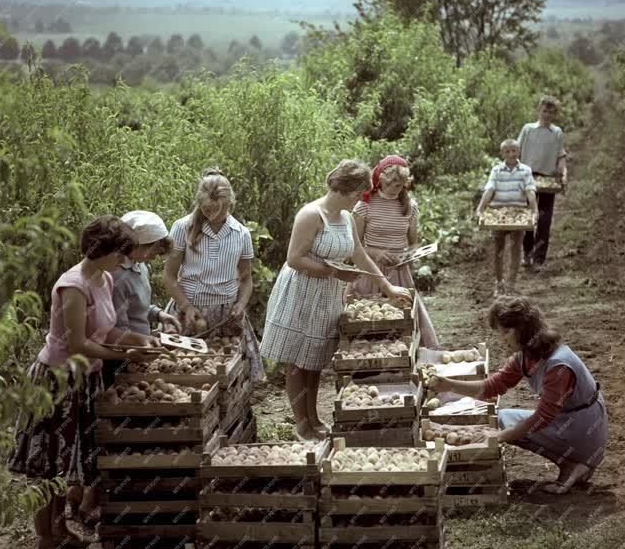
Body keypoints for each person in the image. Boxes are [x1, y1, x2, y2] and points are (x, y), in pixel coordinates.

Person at [8, 216, 158, 549]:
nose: (124, 260)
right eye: (119, 253)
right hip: (57, 383)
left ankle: (60, 530)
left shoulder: (103, 278)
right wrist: (123, 355)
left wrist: (139, 340)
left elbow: (107, 332)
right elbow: (77, 343)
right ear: (103, 252)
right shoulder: (73, 286)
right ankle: (44, 544)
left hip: (83, 381)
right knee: (49, 466)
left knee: (66, 465)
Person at [260, 159, 412, 441]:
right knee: (296, 362)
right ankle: (301, 424)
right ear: (346, 188)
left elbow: (360, 255)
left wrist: (387, 287)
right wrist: (333, 272)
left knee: (315, 360)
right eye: (358, 192)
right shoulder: (311, 215)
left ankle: (314, 417)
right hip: (302, 292)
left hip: (327, 295)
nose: (360, 198)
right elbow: (294, 259)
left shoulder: (345, 219)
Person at [429, 296, 608, 494]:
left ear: (520, 330)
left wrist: (499, 437)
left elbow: (542, 418)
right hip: (565, 420)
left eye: (505, 333)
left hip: (583, 428)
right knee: (503, 419)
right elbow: (492, 386)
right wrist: (447, 385)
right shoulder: (526, 355)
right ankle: (569, 463)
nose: (502, 339)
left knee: (506, 429)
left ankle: (576, 462)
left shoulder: (558, 365)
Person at [163, 169, 264, 382]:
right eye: (207, 209)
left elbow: (245, 279)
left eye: (218, 209)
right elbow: (169, 277)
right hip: (189, 311)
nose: (212, 214)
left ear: (230, 203)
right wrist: (187, 307)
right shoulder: (183, 227)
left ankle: (238, 414)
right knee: (186, 372)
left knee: (231, 375)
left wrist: (241, 304)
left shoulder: (240, 233)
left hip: (225, 315)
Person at [351, 155, 439, 347]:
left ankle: (402, 362)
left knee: (402, 316)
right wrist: (377, 253)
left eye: (399, 185)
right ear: (379, 179)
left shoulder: (410, 206)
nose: (394, 189)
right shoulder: (365, 204)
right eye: (390, 183)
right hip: (370, 271)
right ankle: (371, 364)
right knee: (370, 317)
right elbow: (353, 246)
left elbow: (413, 243)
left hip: (399, 271)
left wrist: (409, 256)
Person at [102, 210, 182, 389]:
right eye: (152, 252)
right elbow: (117, 331)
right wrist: (152, 343)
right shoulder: (117, 276)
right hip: (122, 357)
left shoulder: (140, 265)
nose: (153, 258)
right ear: (135, 245)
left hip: (140, 350)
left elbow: (138, 305)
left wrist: (159, 315)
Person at [475, 139, 539, 296]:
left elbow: (530, 191)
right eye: (507, 151)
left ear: (519, 152)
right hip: (498, 213)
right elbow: (489, 190)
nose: (511, 154)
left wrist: (535, 210)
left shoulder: (525, 170)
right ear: (502, 153)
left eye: (514, 151)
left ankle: (511, 283)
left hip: (519, 213)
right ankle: (499, 283)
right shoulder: (496, 170)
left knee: (516, 248)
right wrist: (480, 208)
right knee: (498, 249)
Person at [517, 94, 567, 268]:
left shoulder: (557, 132)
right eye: (545, 111)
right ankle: (527, 253)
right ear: (539, 110)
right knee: (528, 217)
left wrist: (563, 174)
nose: (547, 115)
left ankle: (539, 258)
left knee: (544, 220)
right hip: (527, 177)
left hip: (548, 180)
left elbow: (561, 156)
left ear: (555, 114)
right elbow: (516, 151)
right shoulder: (528, 129)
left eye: (551, 112)